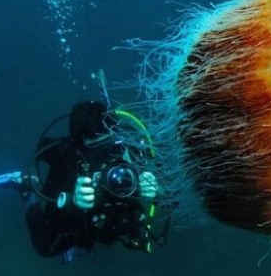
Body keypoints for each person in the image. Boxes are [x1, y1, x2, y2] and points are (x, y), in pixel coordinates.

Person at [23, 100, 165, 261]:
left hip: (110, 226)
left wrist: (157, 190)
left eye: (112, 147)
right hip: (82, 225)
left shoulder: (132, 153)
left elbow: (180, 195)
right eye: (98, 153)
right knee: (45, 247)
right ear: (80, 149)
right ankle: (25, 189)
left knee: (110, 236)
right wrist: (74, 204)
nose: (109, 158)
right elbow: (52, 220)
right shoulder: (68, 164)